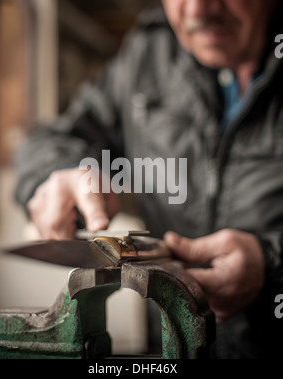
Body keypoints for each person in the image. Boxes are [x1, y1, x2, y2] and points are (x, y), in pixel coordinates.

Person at [15, 0, 283, 359]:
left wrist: (272, 264)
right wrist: (57, 173)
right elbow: (57, 138)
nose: (198, 10)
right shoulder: (148, 50)